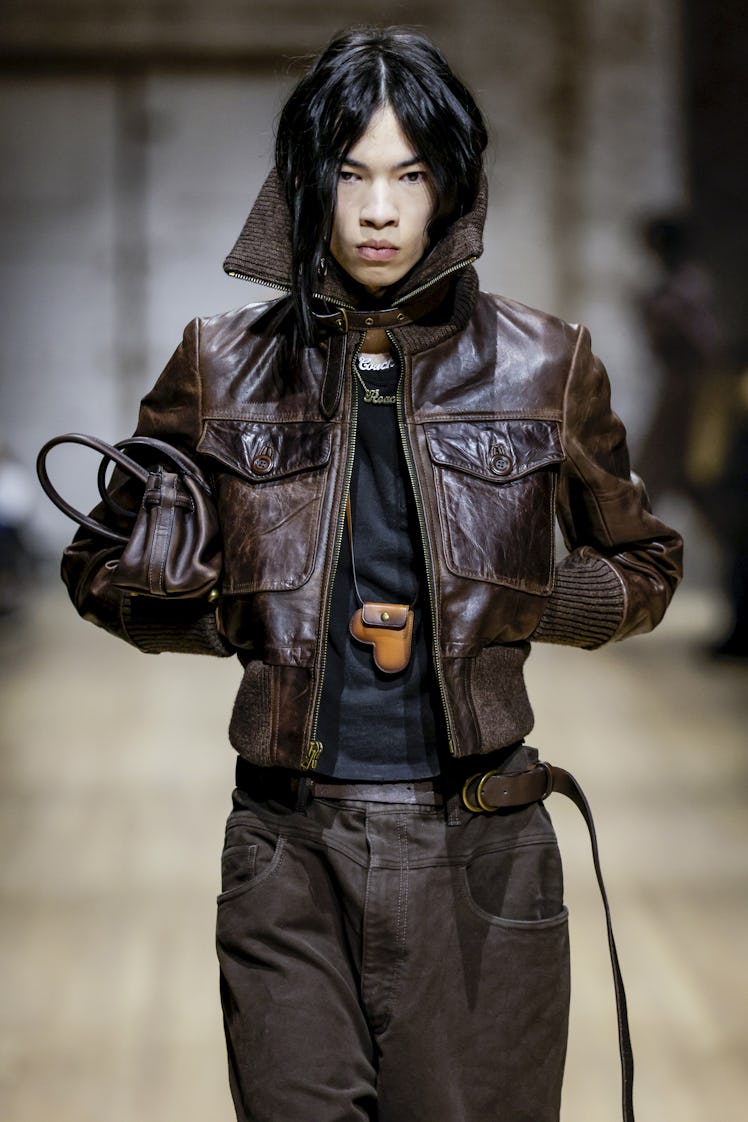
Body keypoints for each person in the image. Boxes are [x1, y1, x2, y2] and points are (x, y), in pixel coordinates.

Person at [60, 27, 683, 1122]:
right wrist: (213, 610)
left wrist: (521, 606)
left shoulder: (547, 363)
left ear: (454, 188)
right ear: (306, 185)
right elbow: (97, 563)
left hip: (481, 848)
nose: (380, 210)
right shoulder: (220, 364)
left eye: (410, 175)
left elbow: (644, 561)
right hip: (286, 847)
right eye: (350, 175)